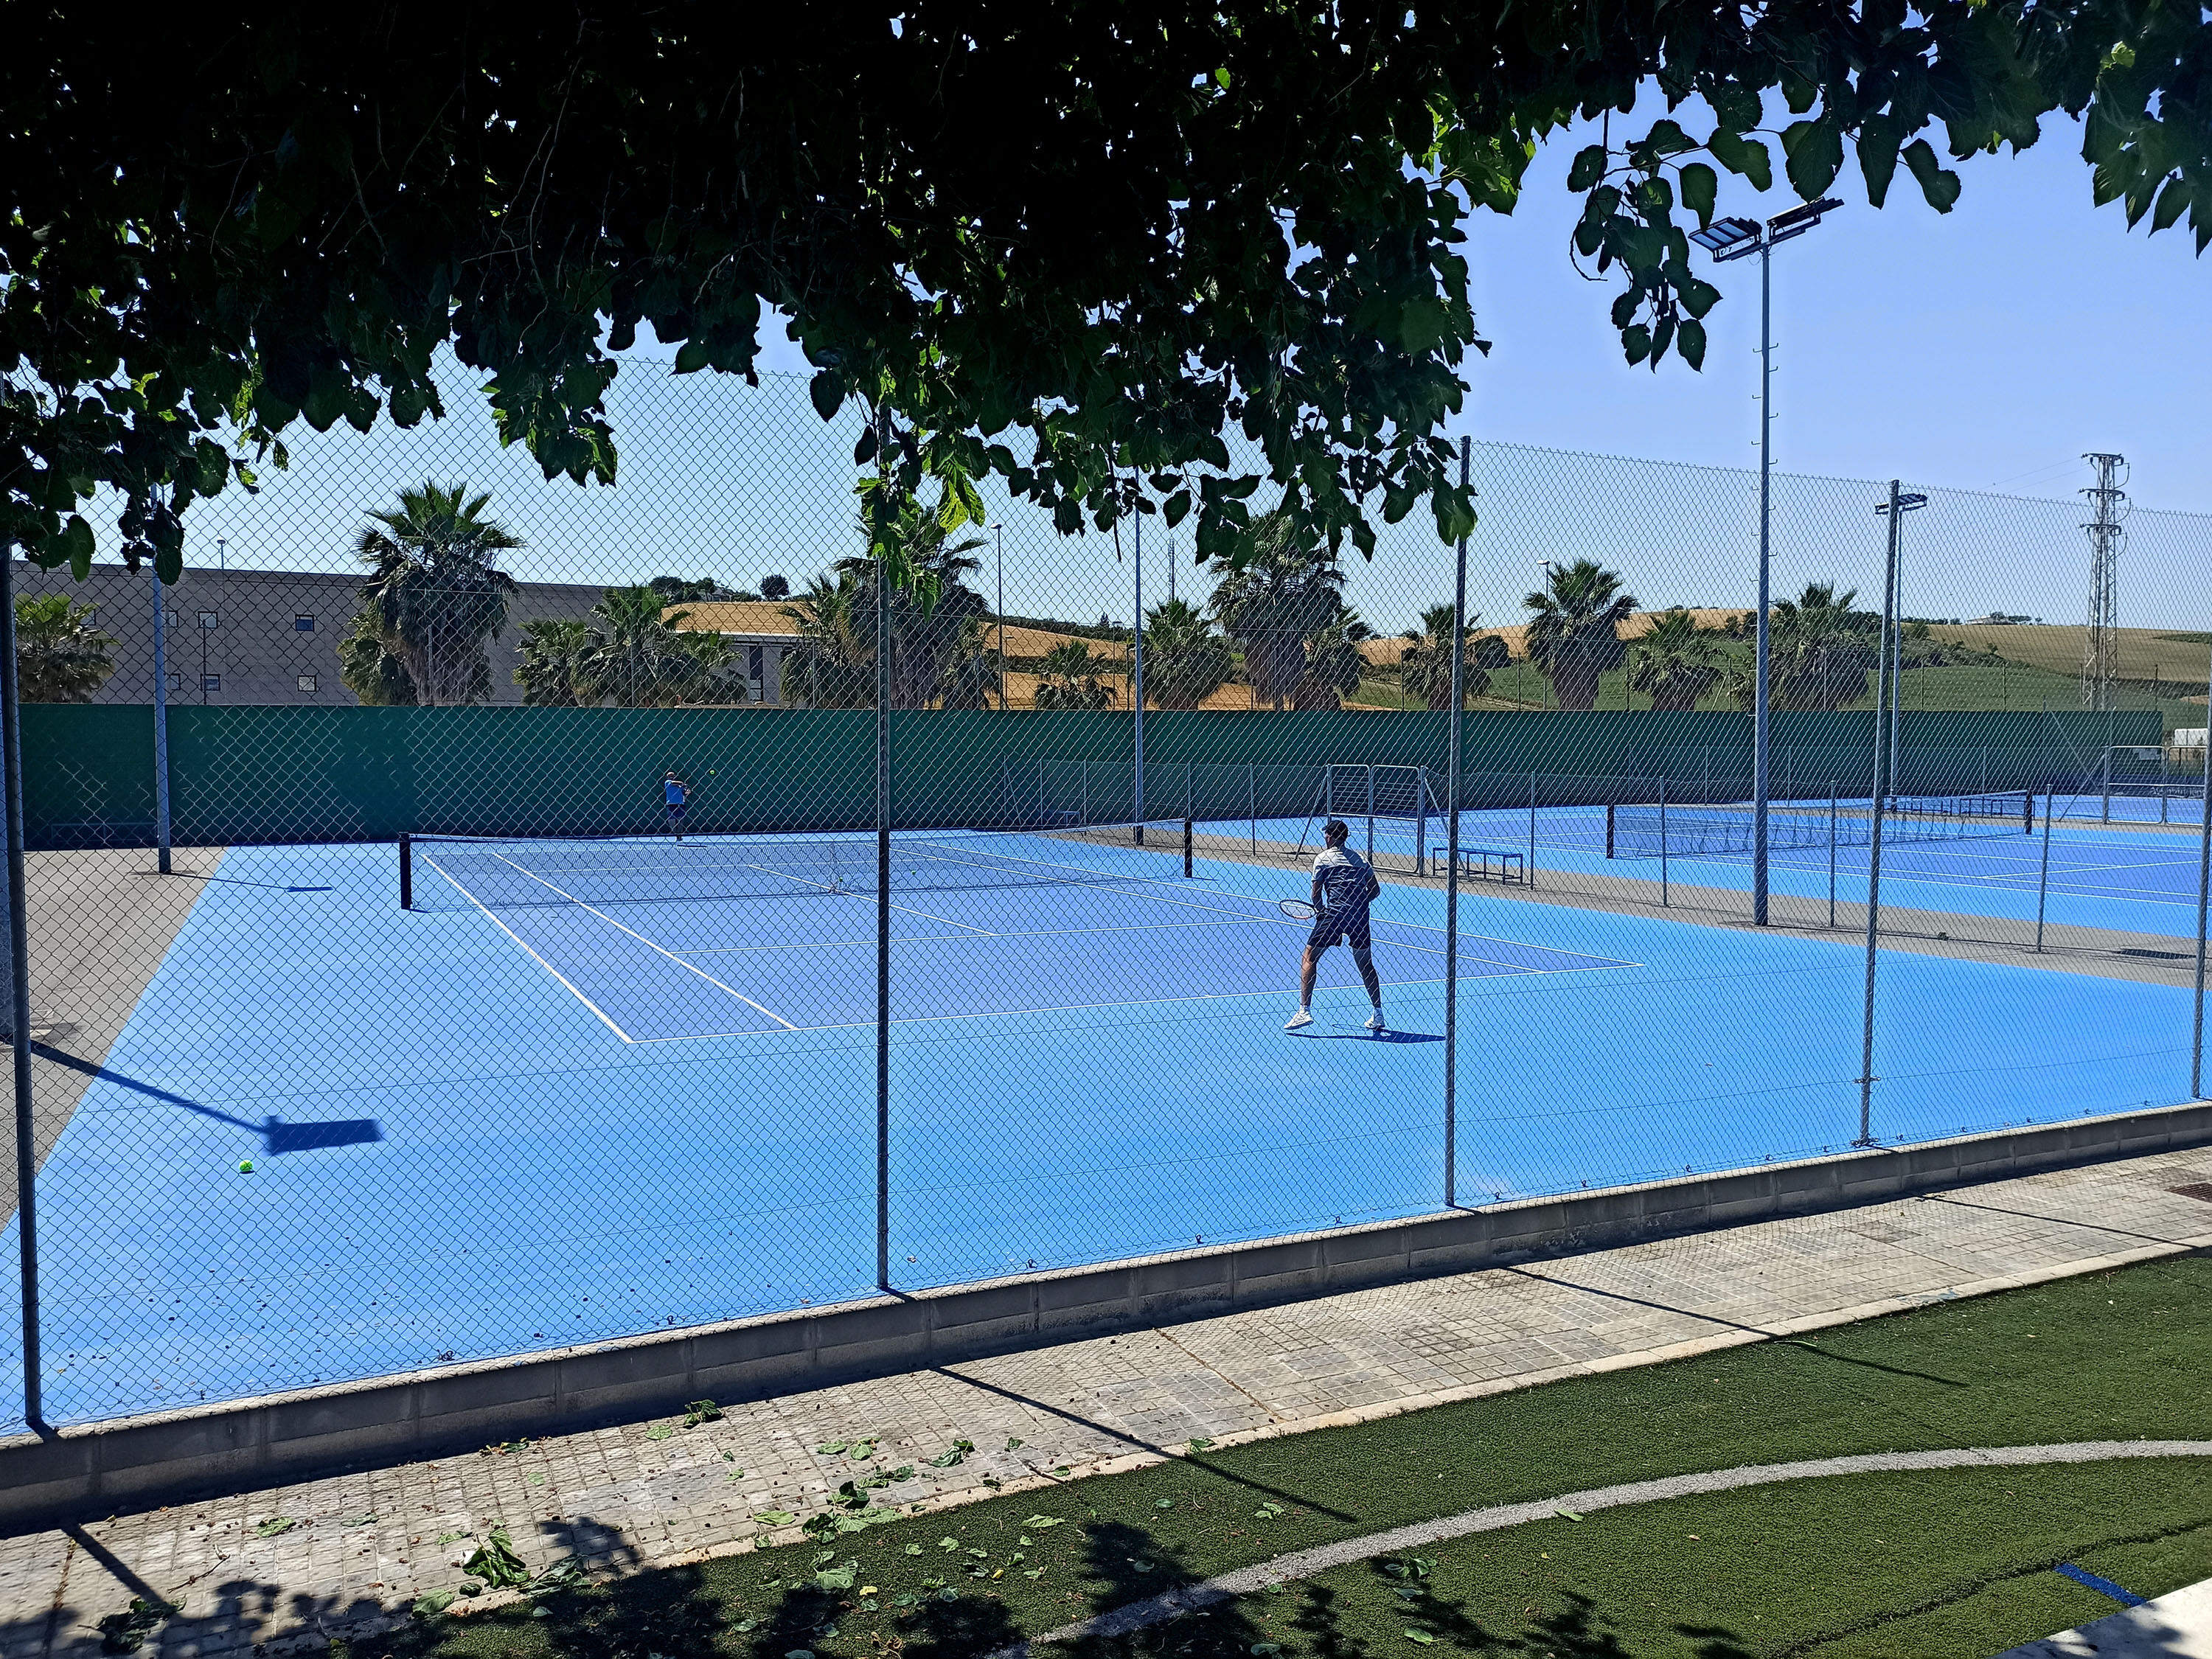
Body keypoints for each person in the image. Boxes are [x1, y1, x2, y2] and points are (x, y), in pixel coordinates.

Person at [1286, 818, 1384, 1032]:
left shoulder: (1322, 859)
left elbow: (1316, 894)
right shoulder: (1361, 860)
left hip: (1334, 915)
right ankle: (1378, 1014)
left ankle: (1304, 1011)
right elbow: (1375, 891)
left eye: (1326, 834)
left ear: (1330, 837)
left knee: (1309, 956)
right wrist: (1359, 904)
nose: (1325, 837)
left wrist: (1321, 911)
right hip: (1359, 917)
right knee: (1365, 964)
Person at [664, 770, 689, 839]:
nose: (671, 776)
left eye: (672, 775)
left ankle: (679, 836)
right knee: (672, 821)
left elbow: (684, 793)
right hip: (671, 805)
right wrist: (682, 783)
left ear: (675, 776)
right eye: (669, 776)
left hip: (680, 804)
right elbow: (676, 783)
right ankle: (676, 834)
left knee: (680, 821)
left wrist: (686, 793)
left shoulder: (680, 786)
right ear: (667, 777)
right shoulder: (667, 782)